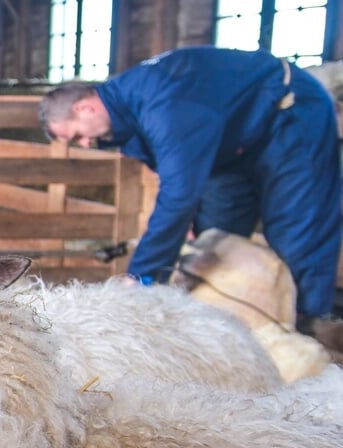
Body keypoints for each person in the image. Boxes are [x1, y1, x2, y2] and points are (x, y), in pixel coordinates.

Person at [40, 46, 343, 353]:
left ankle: (305, 329)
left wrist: (141, 275)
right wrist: (188, 220)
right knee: (213, 237)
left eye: (78, 136)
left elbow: (179, 193)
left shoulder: (161, 103)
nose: (86, 144)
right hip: (231, 141)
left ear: (84, 108)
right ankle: (226, 334)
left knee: (298, 220)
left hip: (287, 112)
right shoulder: (124, 121)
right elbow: (179, 174)